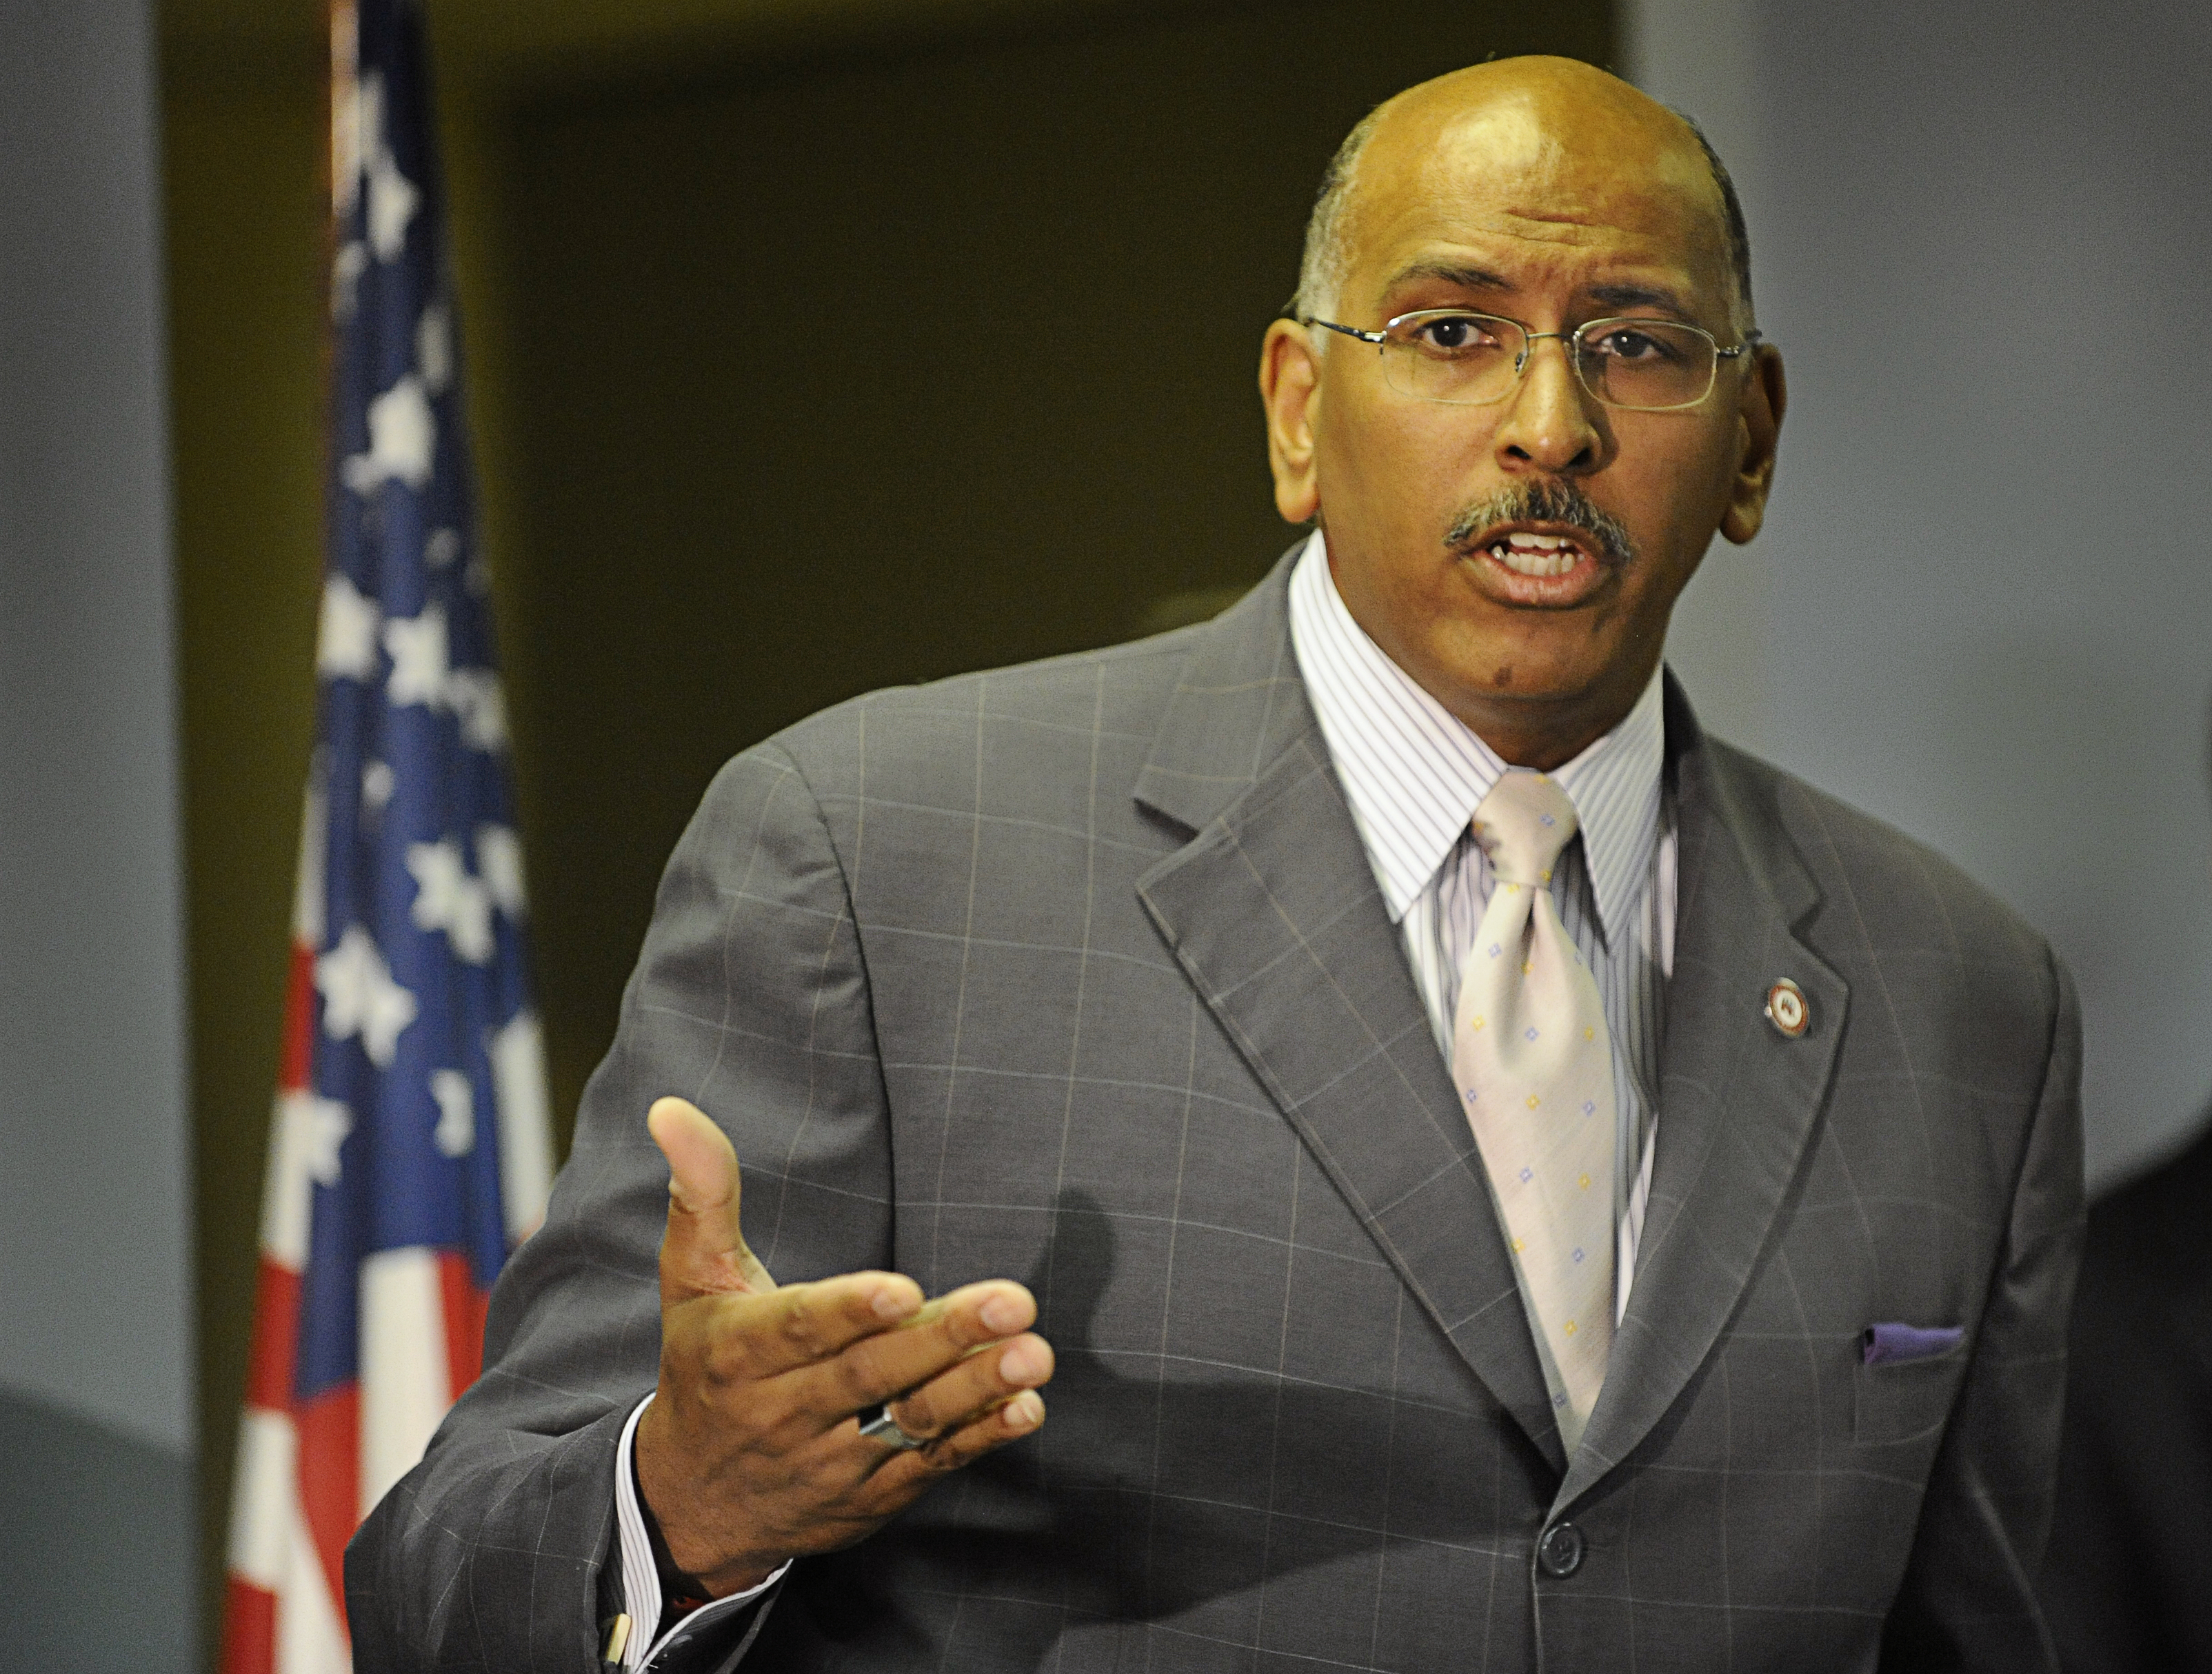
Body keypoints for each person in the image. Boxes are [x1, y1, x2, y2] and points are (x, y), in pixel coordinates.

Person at [350, 56, 2084, 1673]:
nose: (1548, 424)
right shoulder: (873, 862)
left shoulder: (1963, 996)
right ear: (1296, 410)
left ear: (1751, 438)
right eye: (1450, 327)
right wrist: (681, 1503)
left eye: (1634, 344)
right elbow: (438, 1589)